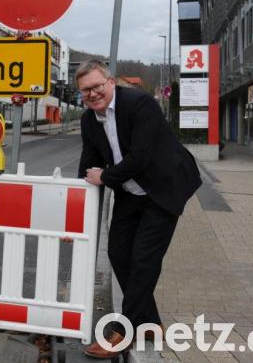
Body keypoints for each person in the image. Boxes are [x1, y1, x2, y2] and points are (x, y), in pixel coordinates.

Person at [75, 60, 201, 358]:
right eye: (85, 90)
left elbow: (140, 157)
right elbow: (89, 160)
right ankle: (150, 324)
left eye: (97, 86)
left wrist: (105, 177)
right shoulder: (88, 120)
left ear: (110, 82)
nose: (92, 94)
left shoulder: (140, 104)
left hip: (164, 188)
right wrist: (77, 200)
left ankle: (124, 330)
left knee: (144, 258)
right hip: (130, 192)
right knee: (118, 253)